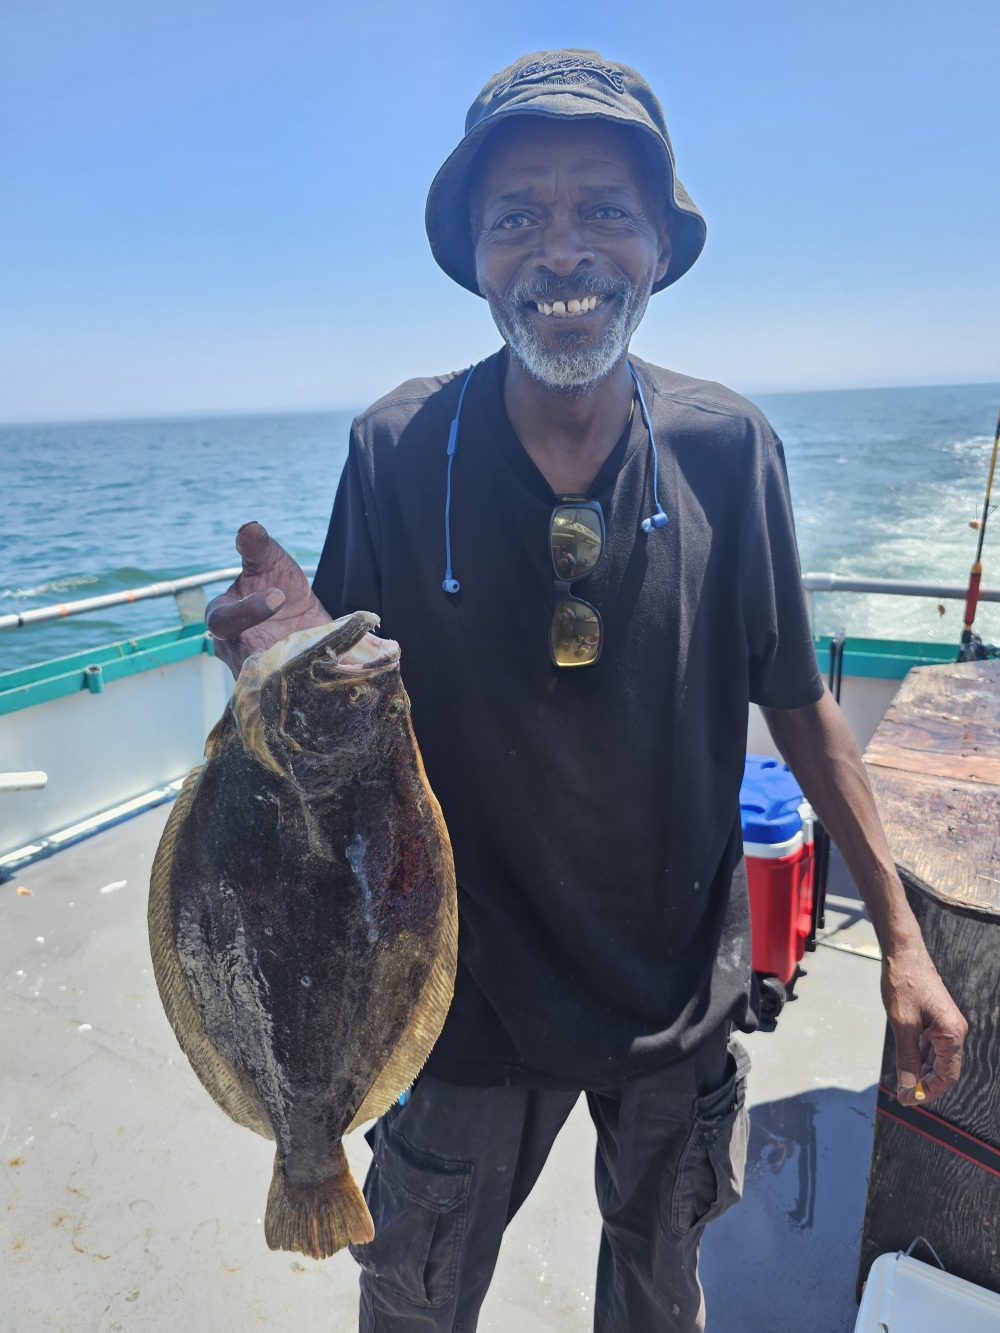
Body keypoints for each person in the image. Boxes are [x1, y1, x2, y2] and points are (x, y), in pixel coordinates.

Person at [205, 49, 968, 1333]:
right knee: (414, 1310)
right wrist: (267, 671)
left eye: (603, 209)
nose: (563, 252)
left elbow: (798, 699)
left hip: (671, 993)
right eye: (520, 217)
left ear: (658, 244)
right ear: (479, 255)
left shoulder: (730, 447)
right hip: (452, 997)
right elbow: (331, 725)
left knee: (661, 1305)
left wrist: (897, 936)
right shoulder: (396, 450)